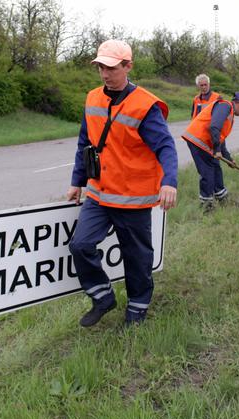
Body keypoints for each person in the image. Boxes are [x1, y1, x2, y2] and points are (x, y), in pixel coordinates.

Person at [66, 39, 178, 328]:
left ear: (128, 66)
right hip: (100, 194)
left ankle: (136, 311)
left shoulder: (145, 106)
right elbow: (84, 142)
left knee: (137, 258)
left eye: (112, 68)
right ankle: (102, 297)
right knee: (80, 245)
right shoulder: (92, 98)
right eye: (101, 67)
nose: (105, 74)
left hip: (134, 198)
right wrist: (77, 181)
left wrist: (169, 182)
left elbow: (166, 146)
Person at [182, 92, 239, 210]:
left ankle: (222, 198)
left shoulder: (229, 112)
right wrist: (217, 150)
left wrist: (228, 159)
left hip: (203, 143)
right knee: (207, 171)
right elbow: (214, 127)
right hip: (197, 140)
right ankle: (206, 205)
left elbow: (220, 138)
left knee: (216, 168)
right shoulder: (225, 106)